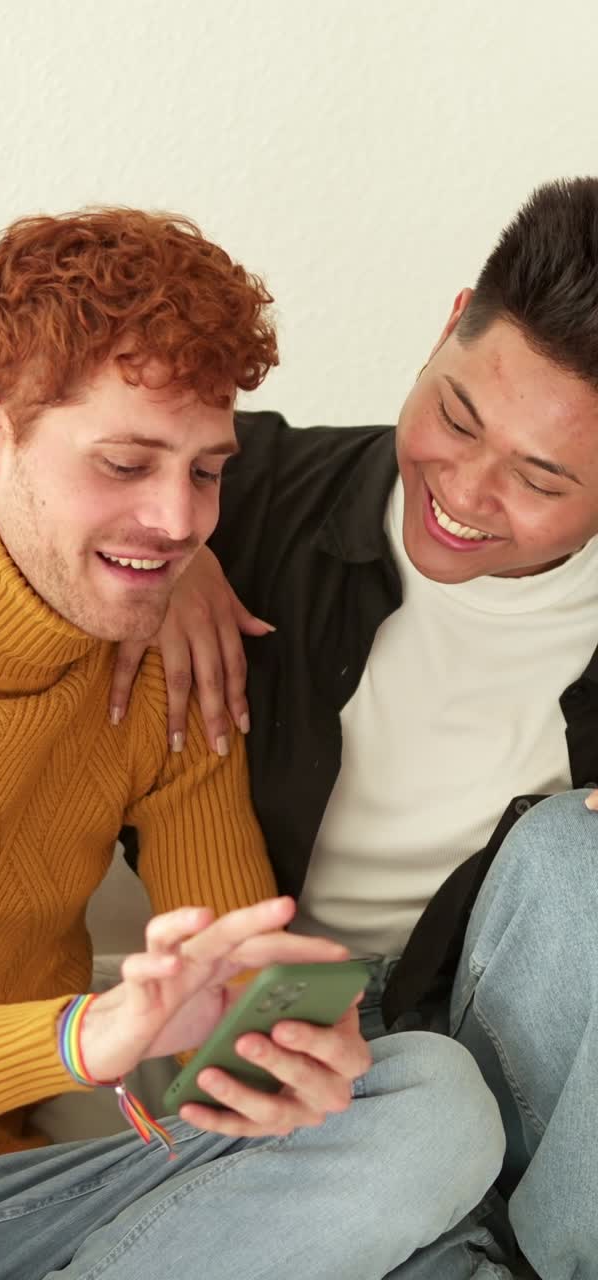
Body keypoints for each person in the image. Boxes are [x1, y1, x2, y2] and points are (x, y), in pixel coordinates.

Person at [0, 207, 503, 1279]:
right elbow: (97, 1037)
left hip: (9, 1200)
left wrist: (280, 1055)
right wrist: (81, 1035)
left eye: (207, 470)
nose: (177, 519)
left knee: (431, 1102)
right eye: (124, 463)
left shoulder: (167, 659)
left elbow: (225, 993)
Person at [108, 176, 598, 1278]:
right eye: (458, 415)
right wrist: (153, 552)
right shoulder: (246, 491)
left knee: (584, 858)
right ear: (447, 324)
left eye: (539, 477)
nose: (465, 490)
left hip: (518, 1062)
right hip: (277, 1024)